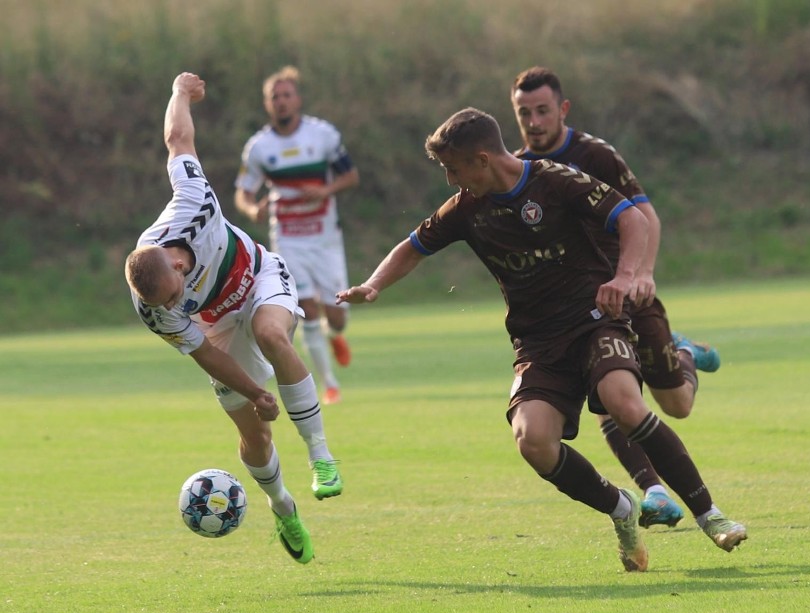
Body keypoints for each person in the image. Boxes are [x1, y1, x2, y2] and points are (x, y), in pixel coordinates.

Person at [337, 107, 747, 572]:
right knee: (532, 440)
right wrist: (373, 285)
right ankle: (621, 509)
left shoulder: (557, 182)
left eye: (454, 168)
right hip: (537, 343)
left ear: (483, 159)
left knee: (625, 403)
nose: (450, 180)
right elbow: (412, 247)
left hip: (595, 321)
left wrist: (626, 276)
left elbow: (634, 219)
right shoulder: (467, 208)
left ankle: (710, 515)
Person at [125, 72, 344, 566]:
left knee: (272, 332)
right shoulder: (151, 308)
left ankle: (321, 456)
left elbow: (177, 139)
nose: (169, 308)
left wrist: (178, 91)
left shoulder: (193, 203)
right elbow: (202, 352)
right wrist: (255, 393)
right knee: (254, 434)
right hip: (217, 328)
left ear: (178, 263)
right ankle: (282, 506)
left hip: (260, 276)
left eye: (174, 295)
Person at [510, 66, 722, 529]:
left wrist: (642, 273)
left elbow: (645, 216)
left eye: (543, 110)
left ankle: (683, 351)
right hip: (580, 308)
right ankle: (654, 490)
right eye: (524, 113)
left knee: (676, 405)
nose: (534, 121)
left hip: (627, 287)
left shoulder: (595, 154)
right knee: (610, 393)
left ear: (562, 109)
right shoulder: (519, 170)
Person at [235, 65, 360, 406]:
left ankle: (336, 334)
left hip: (324, 239)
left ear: (298, 99)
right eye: (275, 97)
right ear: (267, 104)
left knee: (336, 313)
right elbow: (243, 193)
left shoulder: (322, 135)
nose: (281, 102)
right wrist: (252, 210)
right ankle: (330, 383)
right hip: (288, 239)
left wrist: (325, 190)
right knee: (306, 309)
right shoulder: (259, 147)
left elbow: (351, 176)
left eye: (287, 95)